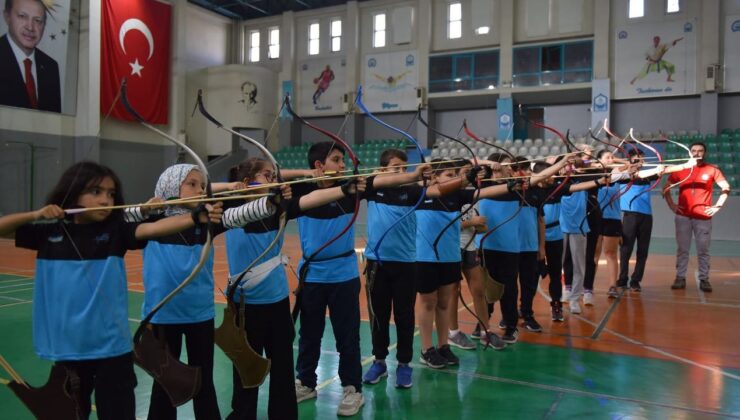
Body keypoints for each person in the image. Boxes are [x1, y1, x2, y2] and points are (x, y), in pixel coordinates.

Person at [0, 161, 222, 419]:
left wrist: (195, 217)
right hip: (71, 349)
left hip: (113, 348)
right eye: (96, 192)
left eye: (111, 194)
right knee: (74, 411)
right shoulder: (50, 232)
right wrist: (35, 215)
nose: (105, 200)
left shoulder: (115, 231)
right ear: (72, 194)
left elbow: (152, 228)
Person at [137, 163, 287, 420]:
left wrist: (269, 202)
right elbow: (125, 216)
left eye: (202, 186)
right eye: (191, 184)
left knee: (203, 384)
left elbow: (240, 214)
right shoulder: (152, 220)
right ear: (171, 187)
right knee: (164, 385)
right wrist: (144, 208)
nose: (199, 191)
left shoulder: (209, 221)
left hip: (200, 316)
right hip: (163, 318)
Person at [224, 157, 366, 420]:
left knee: (282, 369)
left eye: (274, 176)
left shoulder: (280, 208)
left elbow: (309, 200)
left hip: (277, 304)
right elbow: (221, 193)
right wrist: (238, 188)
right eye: (268, 176)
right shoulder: (229, 209)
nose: (275, 180)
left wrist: (345, 189)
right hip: (245, 307)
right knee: (245, 368)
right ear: (245, 183)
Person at [292, 141, 368, 417]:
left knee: (347, 336)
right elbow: (274, 176)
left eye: (343, 160)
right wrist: (312, 176)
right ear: (319, 166)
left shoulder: (352, 189)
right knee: (309, 334)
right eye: (337, 160)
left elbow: (390, 179)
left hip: (343, 275)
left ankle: (352, 388)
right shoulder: (302, 191)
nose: (343, 165)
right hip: (312, 275)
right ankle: (306, 382)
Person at [663, 142, 731, 292]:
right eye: (694, 150)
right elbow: (666, 187)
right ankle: (680, 278)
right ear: (689, 153)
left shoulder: (712, 169)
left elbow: (726, 187)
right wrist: (672, 205)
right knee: (682, 249)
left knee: (703, 250)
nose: (697, 153)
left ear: (704, 153)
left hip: (703, 217)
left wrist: (717, 206)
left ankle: (704, 279)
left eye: (700, 151)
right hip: (683, 216)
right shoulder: (681, 170)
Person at [1, 0, 61, 112]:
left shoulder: (50, 66)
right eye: (22, 16)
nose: (30, 27)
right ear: (7, 17)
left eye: (38, 20)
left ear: (44, 25)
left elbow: (54, 123)